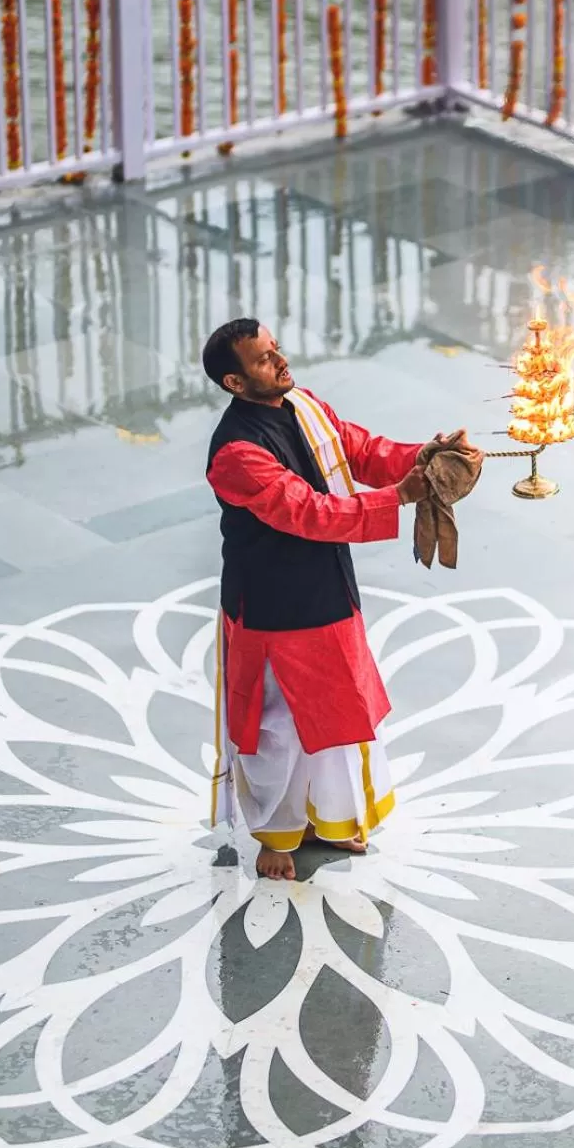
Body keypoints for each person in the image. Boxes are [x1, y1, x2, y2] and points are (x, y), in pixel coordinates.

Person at [203, 317, 469, 881]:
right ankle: (274, 835)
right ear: (234, 382)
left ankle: (329, 820)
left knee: (337, 714)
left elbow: (359, 450)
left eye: (276, 350)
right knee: (278, 724)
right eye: (262, 359)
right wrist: (399, 498)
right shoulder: (235, 453)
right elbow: (307, 512)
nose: (279, 362)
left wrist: (424, 456)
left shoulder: (303, 405)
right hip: (271, 607)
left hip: (325, 587)